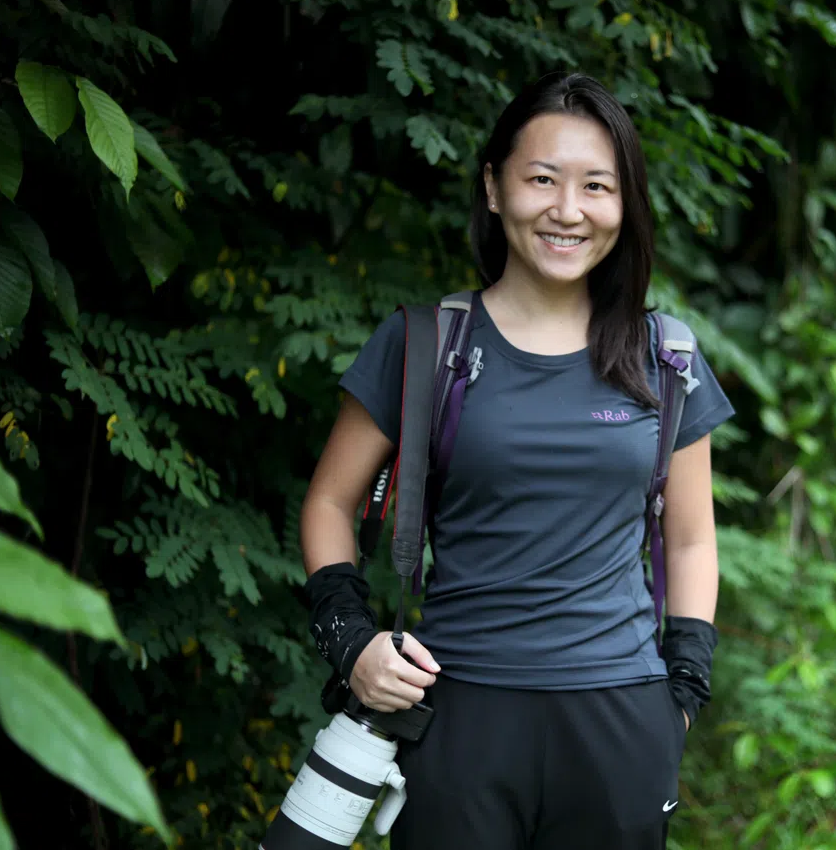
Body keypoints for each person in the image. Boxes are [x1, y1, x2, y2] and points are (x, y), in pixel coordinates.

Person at [299, 71, 735, 849]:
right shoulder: (426, 343)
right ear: (495, 188)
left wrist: (682, 693)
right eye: (543, 179)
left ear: (624, 203)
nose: (568, 210)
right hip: (459, 715)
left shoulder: (664, 355)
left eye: (597, 186)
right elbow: (330, 502)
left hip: (621, 719)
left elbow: (692, 538)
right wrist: (350, 638)